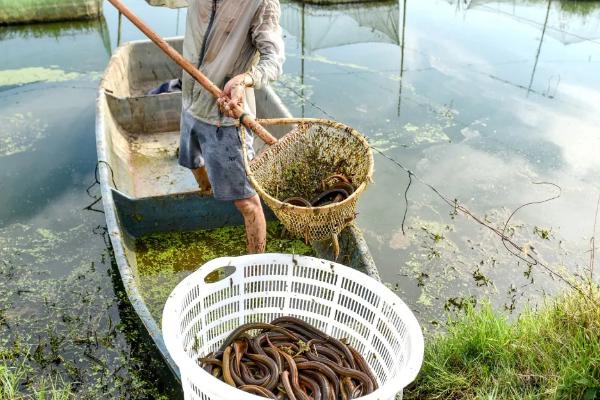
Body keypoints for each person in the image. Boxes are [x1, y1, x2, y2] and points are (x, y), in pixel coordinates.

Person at [178, 0, 284, 253]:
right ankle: (208, 194)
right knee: (193, 162)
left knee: (247, 203)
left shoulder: (261, 3)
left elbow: (274, 59)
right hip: (189, 103)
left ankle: (255, 266)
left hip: (224, 118)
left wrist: (246, 79)